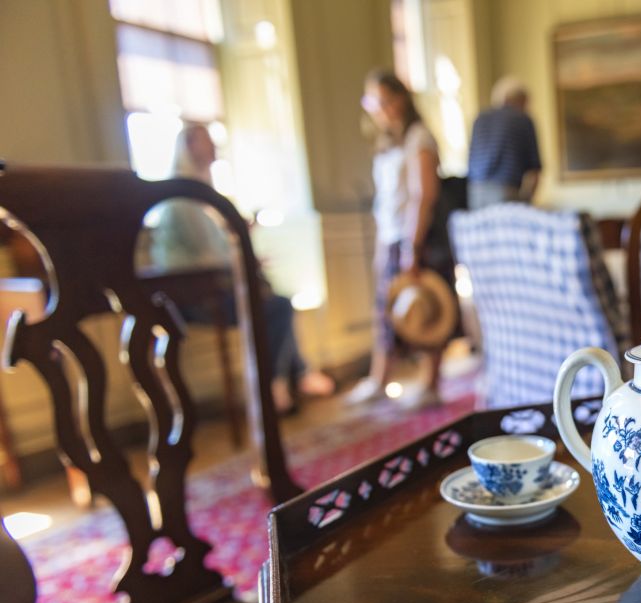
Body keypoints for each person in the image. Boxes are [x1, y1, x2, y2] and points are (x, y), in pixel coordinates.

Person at [150, 125, 334, 413]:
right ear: (189, 146)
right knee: (277, 307)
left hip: (211, 287)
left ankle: (294, 375)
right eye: (205, 141)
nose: (212, 148)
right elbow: (203, 257)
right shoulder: (183, 195)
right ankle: (278, 385)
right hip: (195, 298)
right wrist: (241, 256)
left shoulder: (201, 192)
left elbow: (213, 247)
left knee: (272, 299)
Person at [349, 70, 449, 406]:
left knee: (426, 306)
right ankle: (380, 379)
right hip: (391, 235)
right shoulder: (387, 142)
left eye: (382, 100)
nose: (378, 109)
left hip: (418, 236)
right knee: (389, 311)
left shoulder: (419, 138)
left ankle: (430, 383)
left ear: (400, 99)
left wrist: (413, 246)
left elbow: (423, 195)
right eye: (372, 102)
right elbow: (386, 203)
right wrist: (383, 246)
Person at [467, 76, 542, 209]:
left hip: (474, 192)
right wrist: (526, 202)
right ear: (519, 99)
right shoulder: (523, 119)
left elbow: (471, 159)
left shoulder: (480, 119)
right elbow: (535, 169)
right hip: (506, 191)